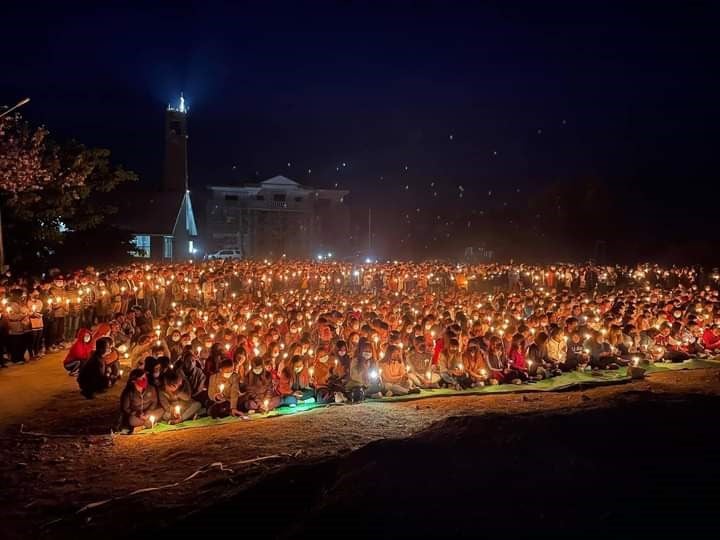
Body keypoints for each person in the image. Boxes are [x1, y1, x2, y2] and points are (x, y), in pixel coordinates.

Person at [119, 368, 165, 433]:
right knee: (131, 420)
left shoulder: (151, 388)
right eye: (142, 378)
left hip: (149, 413)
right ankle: (149, 423)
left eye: (145, 377)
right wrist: (137, 414)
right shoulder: (128, 392)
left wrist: (148, 412)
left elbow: (154, 401)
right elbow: (125, 408)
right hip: (136, 416)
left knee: (161, 410)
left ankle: (145, 424)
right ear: (133, 381)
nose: (145, 380)